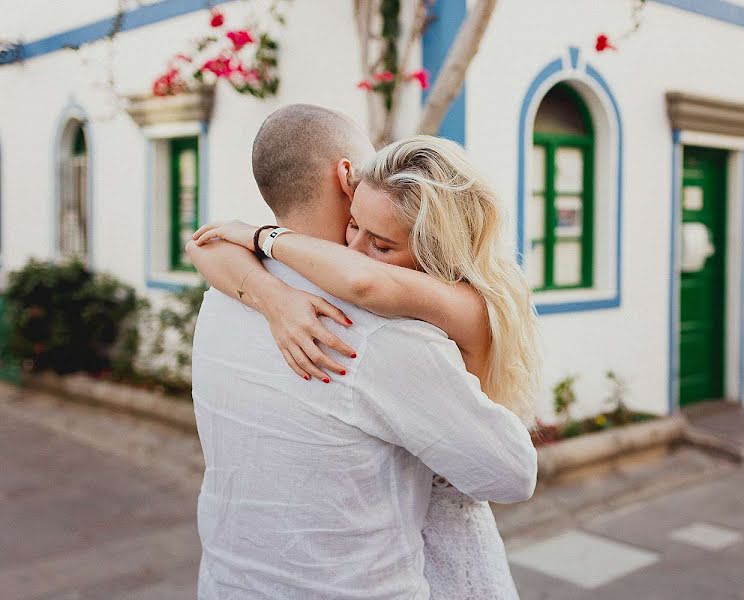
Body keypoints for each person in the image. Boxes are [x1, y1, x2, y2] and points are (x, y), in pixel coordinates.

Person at [189, 104, 537, 600]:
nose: (357, 245)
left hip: (227, 584)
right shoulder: (379, 335)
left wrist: (269, 281)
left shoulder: (221, 298)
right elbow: (510, 475)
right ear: (347, 174)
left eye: (380, 240)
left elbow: (207, 245)